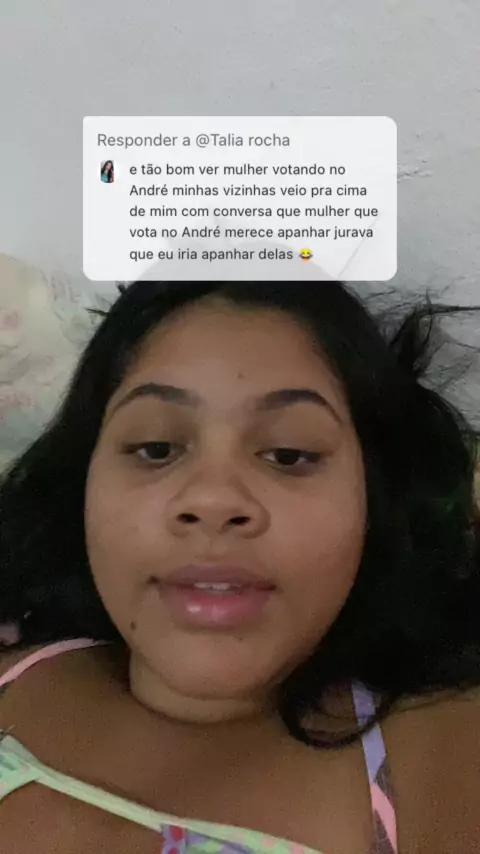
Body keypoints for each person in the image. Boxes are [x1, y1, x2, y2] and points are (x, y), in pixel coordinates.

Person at [0, 280, 479, 854]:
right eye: (156, 448)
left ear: (373, 504)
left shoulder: (447, 746)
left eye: (289, 455)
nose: (213, 499)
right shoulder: (15, 664)